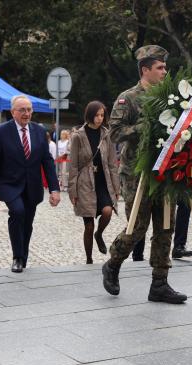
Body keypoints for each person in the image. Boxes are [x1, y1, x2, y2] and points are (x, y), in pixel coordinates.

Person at [103, 44, 187, 304]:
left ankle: (159, 284)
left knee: (165, 227)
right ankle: (113, 263)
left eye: (165, 67)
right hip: (136, 174)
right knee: (137, 227)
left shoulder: (172, 98)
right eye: (160, 67)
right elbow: (114, 132)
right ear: (145, 69)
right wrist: (145, 125)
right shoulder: (128, 98)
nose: (165, 71)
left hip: (165, 172)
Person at [0, 95, 60, 273]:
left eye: (29, 110)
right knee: (17, 212)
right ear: (13, 112)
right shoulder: (2, 131)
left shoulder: (39, 132)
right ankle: (17, 257)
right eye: (22, 110)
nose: (26, 113)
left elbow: (47, 162)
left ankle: (23, 256)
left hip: (32, 186)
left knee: (28, 222)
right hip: (9, 185)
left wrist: (54, 189)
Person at [68, 101, 120, 264]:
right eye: (97, 115)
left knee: (107, 212)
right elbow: (73, 166)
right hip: (85, 183)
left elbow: (112, 163)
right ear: (90, 115)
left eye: (102, 115)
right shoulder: (78, 136)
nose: (99, 118)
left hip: (103, 181)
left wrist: (116, 187)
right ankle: (89, 258)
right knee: (88, 224)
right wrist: (73, 191)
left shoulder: (107, 134)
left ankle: (99, 234)